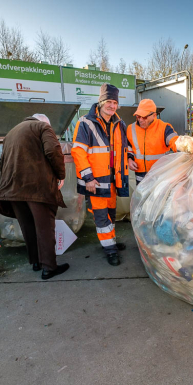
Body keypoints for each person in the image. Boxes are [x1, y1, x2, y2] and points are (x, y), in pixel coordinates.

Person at [0, 114, 70, 280]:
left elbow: (2, 163)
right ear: (44, 122)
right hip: (36, 188)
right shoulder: (42, 127)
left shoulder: (11, 133)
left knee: (28, 226)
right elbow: (53, 151)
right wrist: (60, 175)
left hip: (14, 189)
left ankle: (36, 262)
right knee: (44, 228)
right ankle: (49, 267)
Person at [72, 84, 129, 266]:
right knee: (101, 216)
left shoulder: (119, 124)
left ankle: (109, 241)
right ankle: (110, 249)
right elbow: (78, 152)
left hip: (113, 179)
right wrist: (88, 178)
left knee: (111, 213)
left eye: (114, 102)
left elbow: (125, 148)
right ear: (101, 102)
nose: (112, 106)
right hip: (95, 181)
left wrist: (132, 159)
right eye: (109, 102)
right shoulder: (85, 123)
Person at [126, 99, 179, 185]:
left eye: (144, 117)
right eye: (138, 116)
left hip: (160, 176)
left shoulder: (164, 128)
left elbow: (175, 141)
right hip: (140, 177)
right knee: (142, 198)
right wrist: (129, 159)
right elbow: (129, 147)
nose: (141, 120)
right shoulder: (130, 129)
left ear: (154, 115)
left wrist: (184, 144)